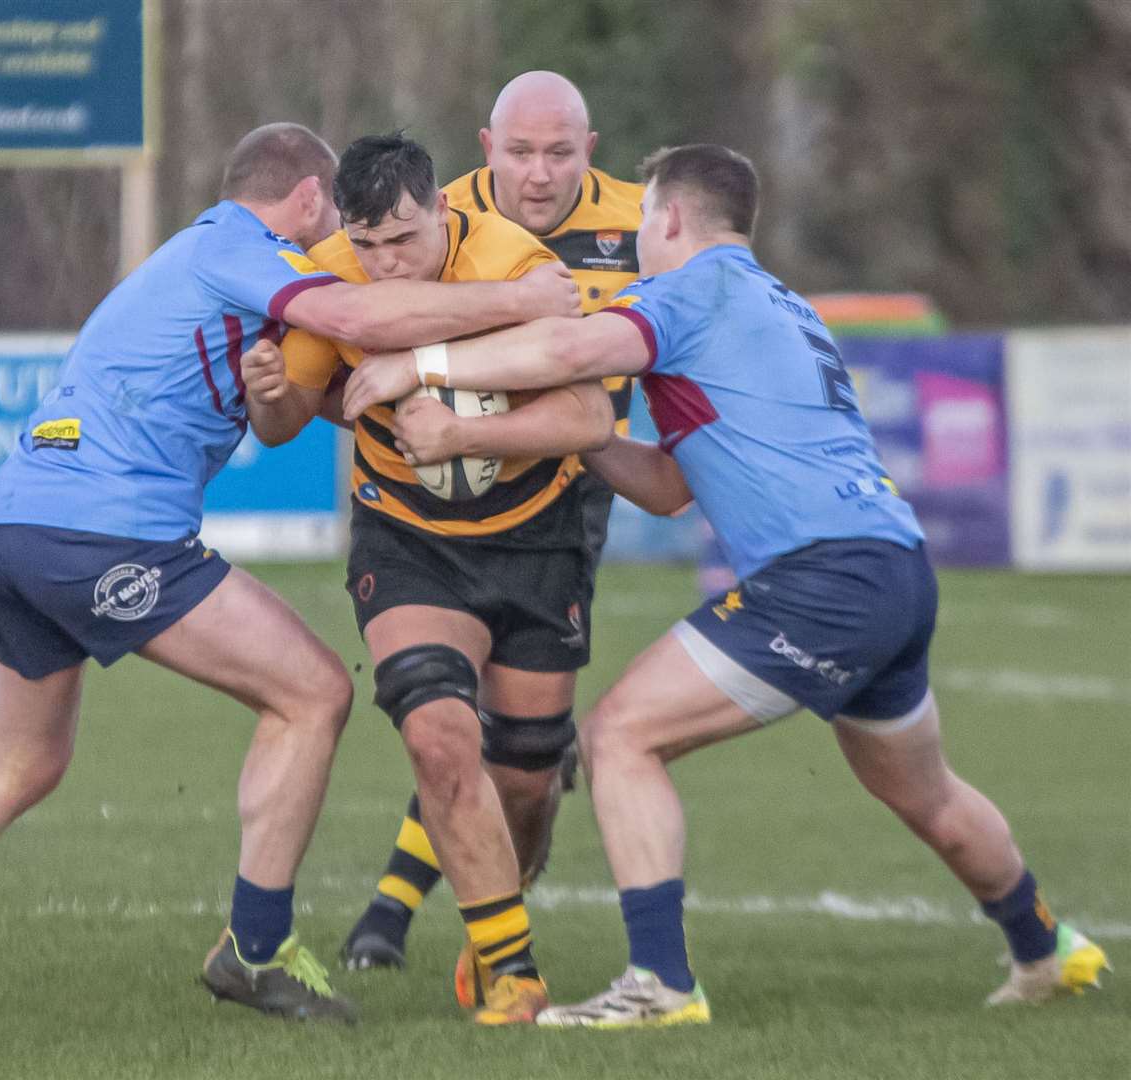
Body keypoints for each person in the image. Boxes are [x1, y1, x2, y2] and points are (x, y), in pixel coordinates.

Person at [0, 122, 579, 1028]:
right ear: (312, 202)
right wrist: (522, 300)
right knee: (313, 692)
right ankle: (255, 953)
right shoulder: (242, 247)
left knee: (16, 764)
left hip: (12, 527)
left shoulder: (186, 256)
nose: (346, 255)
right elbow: (358, 317)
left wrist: (284, 391)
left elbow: (288, 400)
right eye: (340, 235)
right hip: (104, 533)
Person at [342, 143, 1111, 1026]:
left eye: (642, 224)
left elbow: (565, 343)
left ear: (669, 219)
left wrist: (418, 368)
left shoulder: (689, 290)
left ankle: (659, 985)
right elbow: (670, 487)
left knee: (621, 736)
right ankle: (1048, 946)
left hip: (818, 578)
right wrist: (570, 435)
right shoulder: (785, 304)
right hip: (894, 568)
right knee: (924, 793)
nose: (634, 240)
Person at [243, 132, 612, 1024]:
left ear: (444, 211)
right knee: (441, 736)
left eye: (403, 239)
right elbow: (285, 422)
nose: (384, 265)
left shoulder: (512, 259)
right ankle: (511, 969)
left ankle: (495, 907)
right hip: (408, 541)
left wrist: (464, 432)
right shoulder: (326, 275)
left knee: (524, 779)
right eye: (366, 246)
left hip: (536, 537)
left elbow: (591, 412)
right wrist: (269, 391)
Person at [338, 70, 646, 976]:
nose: (539, 173)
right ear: (484, 151)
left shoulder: (647, 226)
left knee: (519, 753)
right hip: (429, 500)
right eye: (519, 153)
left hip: (571, 485)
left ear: (589, 152)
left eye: (559, 153)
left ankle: (423, 902)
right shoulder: (430, 217)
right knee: (443, 712)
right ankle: (403, 914)